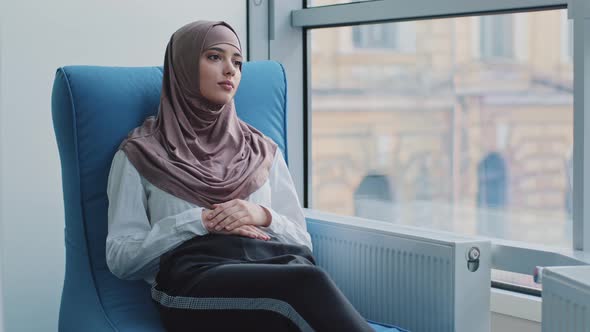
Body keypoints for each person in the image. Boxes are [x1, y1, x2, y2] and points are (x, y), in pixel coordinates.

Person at [105, 20, 373, 332]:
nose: (230, 70)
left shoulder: (262, 150)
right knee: (304, 282)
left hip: (275, 265)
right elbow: (121, 258)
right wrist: (200, 221)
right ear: (183, 66)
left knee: (301, 283)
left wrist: (260, 214)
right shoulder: (141, 152)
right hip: (194, 280)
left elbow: (302, 241)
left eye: (237, 61)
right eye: (214, 57)